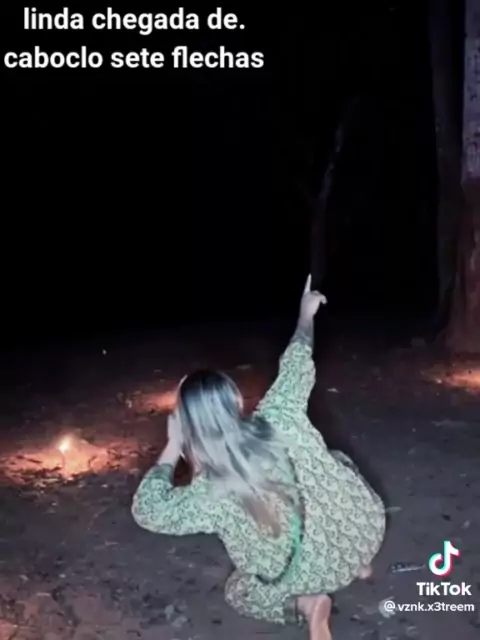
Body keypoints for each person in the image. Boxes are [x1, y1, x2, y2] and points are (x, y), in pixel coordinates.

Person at [131, 275, 386, 640]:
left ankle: (309, 604)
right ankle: (356, 561)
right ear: (235, 400)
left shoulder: (209, 493)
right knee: (337, 460)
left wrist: (173, 446)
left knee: (240, 591)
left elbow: (148, 510)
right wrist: (306, 314)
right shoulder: (279, 413)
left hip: (305, 573)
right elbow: (297, 358)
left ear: (188, 426)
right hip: (362, 532)